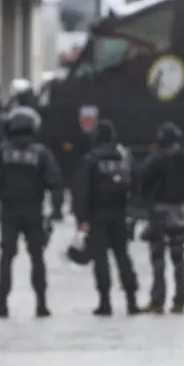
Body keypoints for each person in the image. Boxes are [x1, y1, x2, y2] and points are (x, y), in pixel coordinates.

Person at [0, 106, 62, 318]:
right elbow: (54, 181)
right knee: (37, 257)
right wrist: (55, 209)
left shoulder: (2, 152)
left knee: (6, 257)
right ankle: (41, 304)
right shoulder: (41, 153)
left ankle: (2, 303)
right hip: (34, 210)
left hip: (9, 211)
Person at [73, 119, 140, 315]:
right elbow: (136, 184)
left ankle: (105, 302)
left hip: (98, 215)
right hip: (119, 214)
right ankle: (131, 300)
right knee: (123, 256)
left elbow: (83, 190)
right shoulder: (124, 157)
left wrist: (81, 217)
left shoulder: (91, 159)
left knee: (100, 258)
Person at [137, 121, 184, 313]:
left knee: (158, 256)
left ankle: (157, 300)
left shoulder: (158, 157)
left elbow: (142, 176)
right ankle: (180, 300)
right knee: (179, 255)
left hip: (160, 210)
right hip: (180, 210)